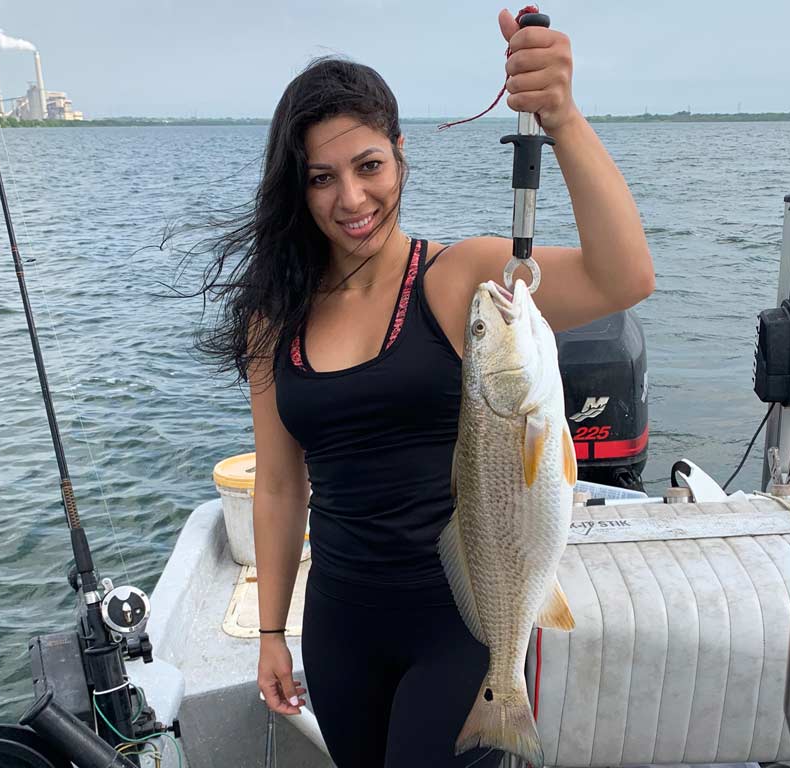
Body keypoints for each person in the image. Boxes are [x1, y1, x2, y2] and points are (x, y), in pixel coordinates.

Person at [199, 9, 654, 767]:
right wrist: (273, 631)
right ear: (298, 187)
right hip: (340, 626)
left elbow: (624, 276)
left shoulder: (464, 281)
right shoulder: (273, 316)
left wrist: (562, 118)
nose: (351, 198)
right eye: (322, 177)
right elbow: (280, 486)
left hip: (463, 616)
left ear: (402, 156)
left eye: (368, 165)